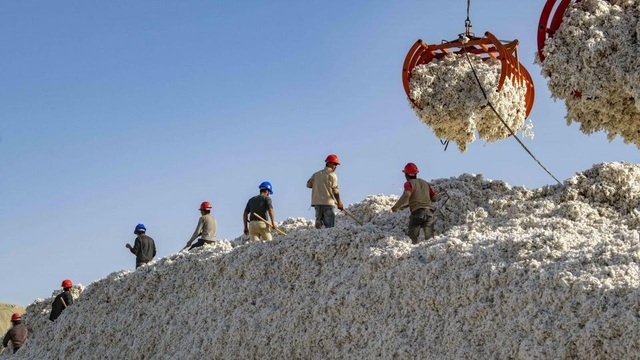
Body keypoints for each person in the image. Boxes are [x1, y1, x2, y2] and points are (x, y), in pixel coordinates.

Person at [391, 162, 440, 244]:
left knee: (412, 240)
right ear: (416, 173)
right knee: (430, 240)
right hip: (429, 213)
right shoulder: (425, 183)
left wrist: (395, 207)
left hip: (417, 214)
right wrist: (440, 195)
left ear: (406, 175)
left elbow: (407, 194)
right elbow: (434, 198)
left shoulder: (409, 183)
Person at [306, 154, 344, 229]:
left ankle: (319, 222)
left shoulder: (316, 174)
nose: (336, 166)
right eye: (334, 164)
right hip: (328, 203)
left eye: (336, 165)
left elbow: (308, 185)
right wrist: (339, 202)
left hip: (317, 203)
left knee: (319, 221)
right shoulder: (332, 175)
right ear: (328, 163)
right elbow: (335, 190)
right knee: (329, 226)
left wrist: (318, 186)